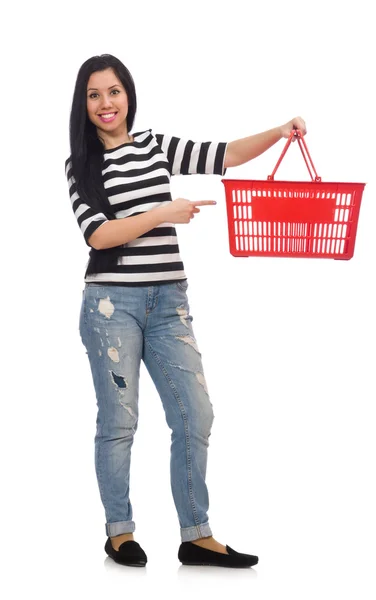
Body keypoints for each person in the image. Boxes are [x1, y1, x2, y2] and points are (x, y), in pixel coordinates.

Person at [65, 53, 306, 568]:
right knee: (120, 421)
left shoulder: (156, 146)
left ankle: (196, 535)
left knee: (196, 413)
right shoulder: (81, 165)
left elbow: (228, 155)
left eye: (114, 91)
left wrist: (281, 131)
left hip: (170, 301)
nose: (106, 103)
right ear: (83, 105)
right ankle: (119, 532)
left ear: (128, 94)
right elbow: (99, 234)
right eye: (94, 95)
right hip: (111, 306)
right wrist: (164, 213)